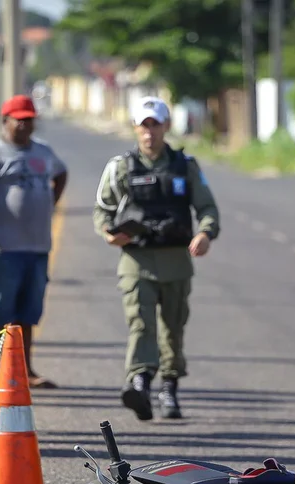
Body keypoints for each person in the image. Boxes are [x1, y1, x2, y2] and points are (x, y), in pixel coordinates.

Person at [93, 96, 220, 421]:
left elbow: (207, 207)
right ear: (135, 128)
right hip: (137, 262)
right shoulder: (120, 167)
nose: (149, 131)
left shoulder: (185, 165)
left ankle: (170, 388)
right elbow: (103, 210)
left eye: (155, 124)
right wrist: (109, 233)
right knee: (140, 324)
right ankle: (139, 382)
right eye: (143, 125)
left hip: (177, 260)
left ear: (165, 126)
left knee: (173, 329)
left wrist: (205, 233)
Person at [0, 94, 67, 392]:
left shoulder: (43, 151)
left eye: (29, 120)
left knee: (28, 312)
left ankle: (26, 371)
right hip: (4, 248)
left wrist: (49, 201)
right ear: (6, 121)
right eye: (19, 120)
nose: (25, 126)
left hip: (38, 248)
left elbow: (61, 174)